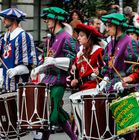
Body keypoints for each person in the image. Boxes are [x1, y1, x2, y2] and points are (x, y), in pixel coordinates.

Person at [31, 7, 78, 140]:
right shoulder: (49, 39)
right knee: (53, 112)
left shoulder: (66, 37)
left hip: (59, 80)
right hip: (47, 80)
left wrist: (56, 60)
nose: (46, 21)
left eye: (49, 19)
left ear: (57, 20)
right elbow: (45, 60)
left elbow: (73, 58)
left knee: (51, 112)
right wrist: (38, 69)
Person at [99, 13, 139, 139]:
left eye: (109, 26)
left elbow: (135, 68)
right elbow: (107, 65)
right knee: (109, 126)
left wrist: (126, 81)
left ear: (118, 27)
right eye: (106, 26)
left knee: (126, 128)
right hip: (111, 86)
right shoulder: (110, 43)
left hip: (126, 87)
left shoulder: (130, 42)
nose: (107, 29)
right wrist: (105, 78)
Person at [0, 7, 38, 92]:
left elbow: (28, 67)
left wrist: (15, 70)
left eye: (6, 18)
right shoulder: (4, 38)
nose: (3, 21)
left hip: (20, 88)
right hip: (5, 87)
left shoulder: (23, 37)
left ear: (13, 20)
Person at [70, 23, 104, 91]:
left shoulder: (98, 51)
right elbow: (75, 73)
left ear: (89, 37)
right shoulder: (79, 53)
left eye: (81, 36)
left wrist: (98, 72)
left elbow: (104, 69)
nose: (78, 38)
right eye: (78, 35)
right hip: (81, 89)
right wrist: (74, 81)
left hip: (94, 89)